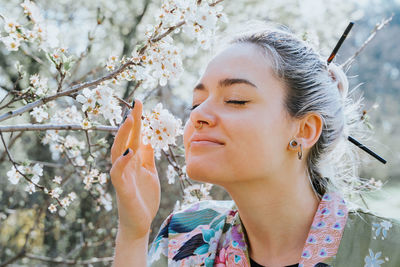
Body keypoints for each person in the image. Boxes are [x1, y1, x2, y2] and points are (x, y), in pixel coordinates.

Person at [110, 21, 400, 267]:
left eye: (236, 99)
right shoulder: (184, 236)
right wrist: (134, 232)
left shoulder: (388, 247)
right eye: (195, 103)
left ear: (305, 130)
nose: (198, 115)